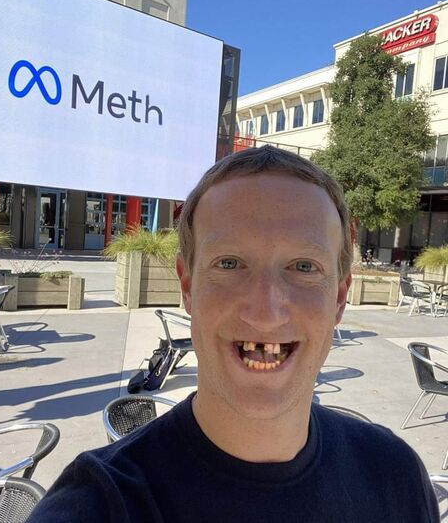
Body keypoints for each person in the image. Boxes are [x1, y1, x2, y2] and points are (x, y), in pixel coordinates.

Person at [27, 146, 439, 522]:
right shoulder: (98, 505)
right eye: (228, 264)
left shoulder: (395, 476)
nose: (265, 312)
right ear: (187, 287)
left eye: (303, 267)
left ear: (339, 298)